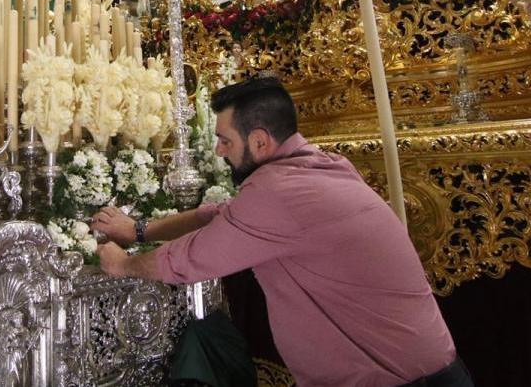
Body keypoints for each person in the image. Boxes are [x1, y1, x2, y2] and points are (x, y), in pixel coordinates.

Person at [93, 77, 472, 387]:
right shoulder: (320, 165)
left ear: (259, 141)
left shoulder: (280, 192)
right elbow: (220, 215)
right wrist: (139, 230)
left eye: (226, 140)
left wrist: (123, 265)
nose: (219, 150)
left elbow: (192, 260)